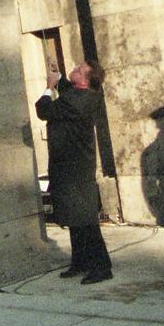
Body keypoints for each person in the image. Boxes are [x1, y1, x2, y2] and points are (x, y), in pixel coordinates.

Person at [36, 61, 112, 284]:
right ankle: (80, 261)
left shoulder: (77, 101)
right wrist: (58, 77)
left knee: (85, 220)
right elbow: (69, 89)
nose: (75, 69)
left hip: (74, 168)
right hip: (71, 165)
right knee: (74, 218)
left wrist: (49, 87)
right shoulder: (84, 95)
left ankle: (101, 266)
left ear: (86, 81)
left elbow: (43, 110)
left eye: (79, 71)